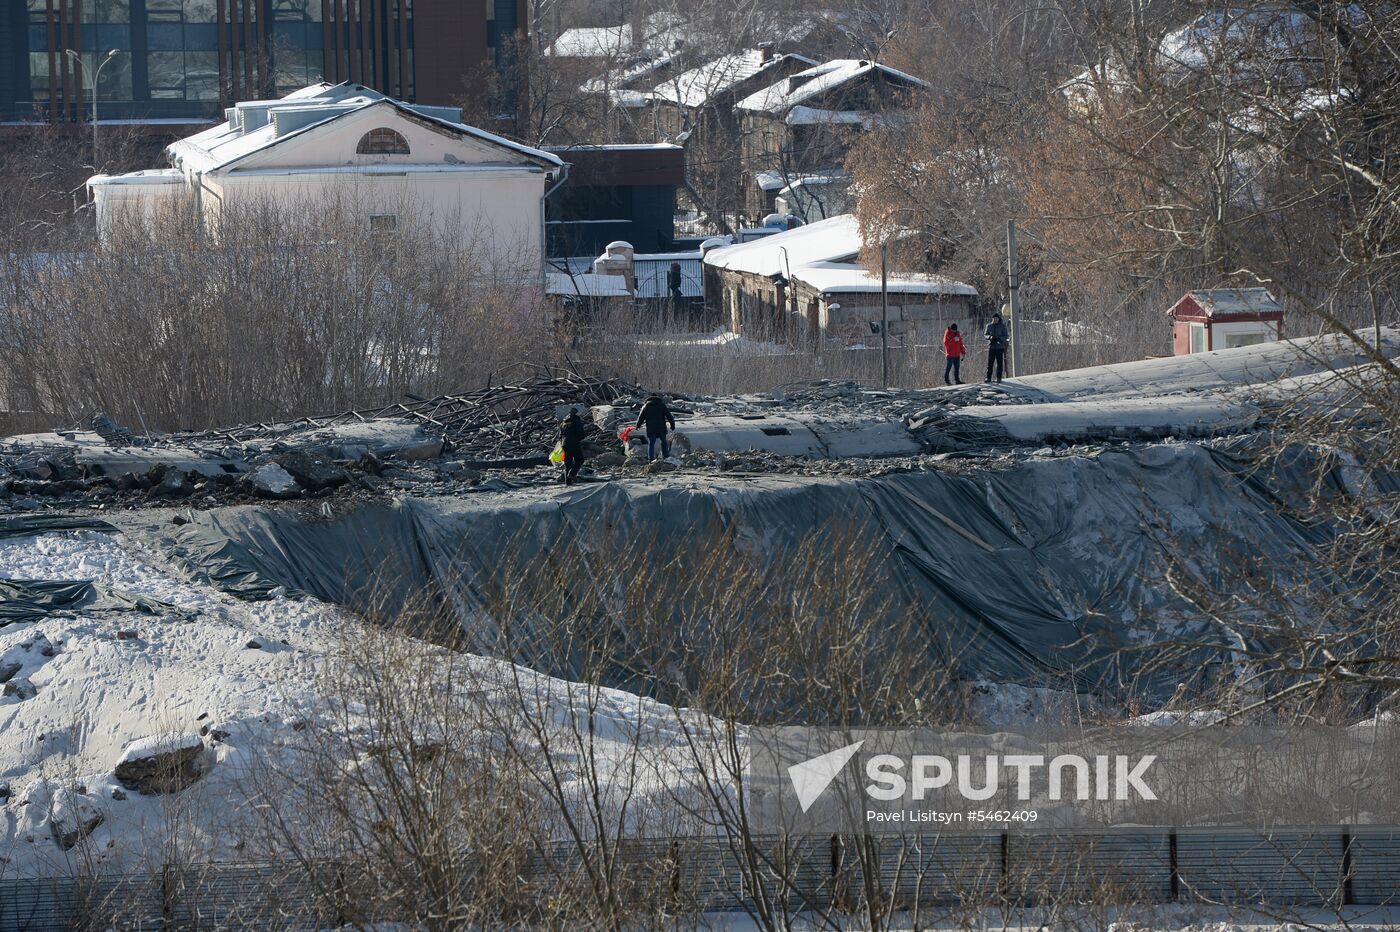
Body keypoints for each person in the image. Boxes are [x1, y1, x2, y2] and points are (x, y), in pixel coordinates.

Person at [636, 395, 677, 462]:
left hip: (651, 428)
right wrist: (672, 425)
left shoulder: (646, 406)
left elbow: (641, 417)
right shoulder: (661, 405)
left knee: (651, 443)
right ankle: (666, 456)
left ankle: (651, 459)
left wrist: (638, 425)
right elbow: (669, 416)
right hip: (661, 428)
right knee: (663, 442)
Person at [560, 408, 588, 485]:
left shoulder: (563, 422)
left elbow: (561, 435)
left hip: (564, 444)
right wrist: (580, 439)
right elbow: (581, 434)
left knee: (568, 464)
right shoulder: (576, 421)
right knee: (580, 460)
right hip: (574, 443)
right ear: (576, 413)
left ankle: (568, 483)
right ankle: (572, 474)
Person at [984, 312, 1009, 382]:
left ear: (998, 319)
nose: (995, 320)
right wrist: (990, 337)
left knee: (999, 363)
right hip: (991, 347)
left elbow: (1006, 336)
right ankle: (988, 378)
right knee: (990, 363)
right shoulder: (989, 326)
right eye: (994, 318)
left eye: (996, 318)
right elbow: (985, 335)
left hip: (999, 347)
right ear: (992, 319)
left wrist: (1000, 339)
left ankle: (999, 377)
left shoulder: (1002, 326)